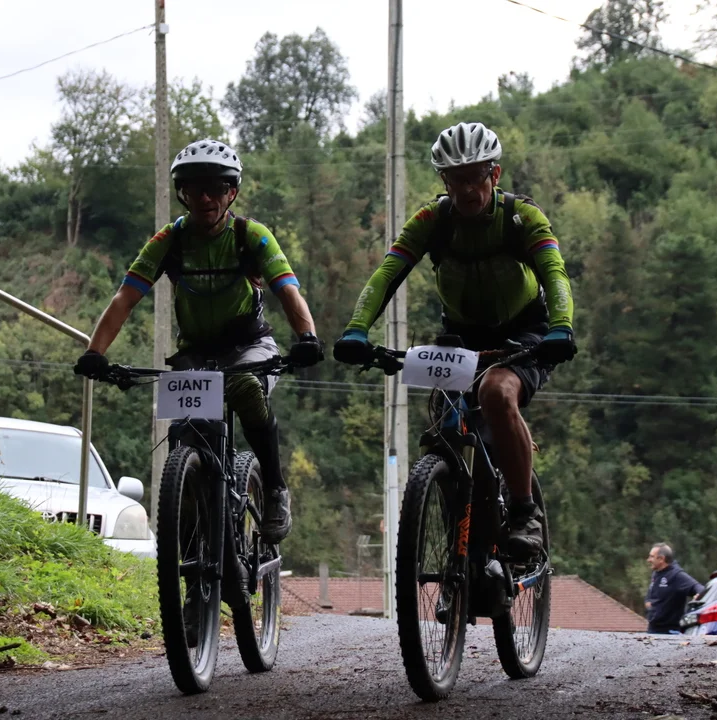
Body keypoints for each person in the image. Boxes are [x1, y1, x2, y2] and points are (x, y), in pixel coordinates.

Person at [332, 121, 576, 560]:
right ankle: (461, 540)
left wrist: (562, 326)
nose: (466, 189)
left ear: (494, 174)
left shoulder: (521, 217)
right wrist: (356, 330)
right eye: (456, 178)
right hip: (462, 335)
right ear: (444, 180)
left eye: (475, 177)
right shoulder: (433, 220)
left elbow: (554, 273)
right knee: (445, 423)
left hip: (526, 330)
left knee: (496, 392)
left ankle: (525, 512)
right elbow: (388, 273)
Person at [74, 138, 323, 545]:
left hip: (250, 346)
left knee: (245, 388)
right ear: (183, 194)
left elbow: (287, 291)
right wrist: (94, 352)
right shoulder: (169, 241)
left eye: (216, 188)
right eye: (194, 189)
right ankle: (191, 538)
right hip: (196, 352)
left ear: (232, 192)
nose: (205, 198)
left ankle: (275, 488)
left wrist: (307, 336)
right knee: (186, 430)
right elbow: (125, 298)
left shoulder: (251, 235)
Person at [645, 543, 705, 634]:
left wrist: (699, 595)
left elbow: (698, 588)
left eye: (651, 557)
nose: (648, 560)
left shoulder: (676, 575)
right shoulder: (656, 573)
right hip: (653, 629)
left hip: (669, 632)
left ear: (661, 559)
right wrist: (648, 602)